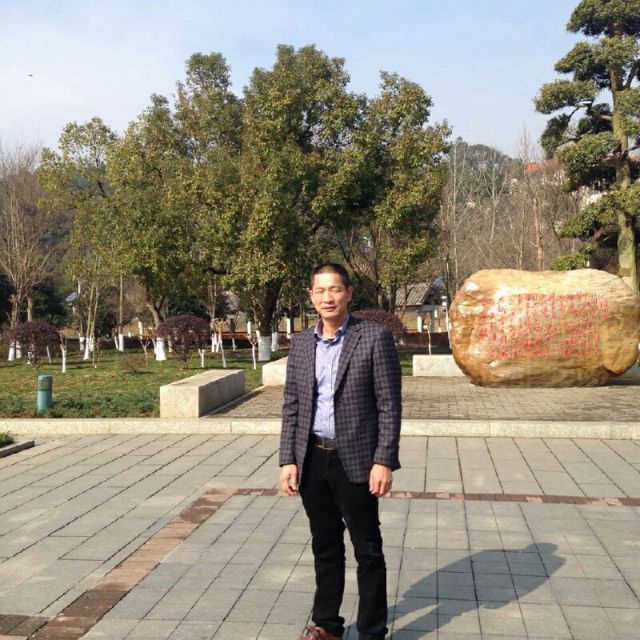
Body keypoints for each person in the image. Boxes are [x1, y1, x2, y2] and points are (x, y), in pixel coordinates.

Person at [279, 262, 402, 640]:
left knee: (368, 549)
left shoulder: (373, 337)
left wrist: (383, 460)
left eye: (334, 289)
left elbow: (389, 404)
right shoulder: (302, 343)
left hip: (358, 460)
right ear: (311, 296)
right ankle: (327, 625)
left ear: (348, 292)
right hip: (313, 458)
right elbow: (292, 405)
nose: (327, 297)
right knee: (325, 546)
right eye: (320, 290)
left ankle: (371, 632)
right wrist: (287, 459)